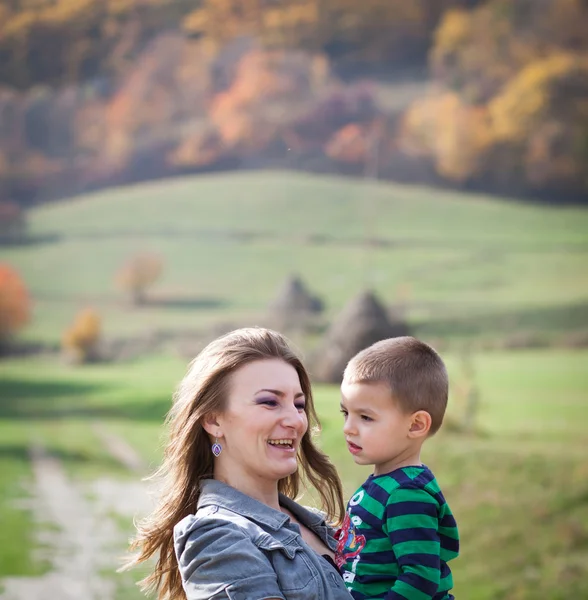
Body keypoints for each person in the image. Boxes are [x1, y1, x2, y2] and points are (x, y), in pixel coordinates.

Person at [125, 327, 353, 600]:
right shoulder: (215, 537)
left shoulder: (321, 524)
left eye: (299, 404)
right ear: (213, 420)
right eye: (270, 402)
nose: (295, 420)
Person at [335, 337, 460, 600]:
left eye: (365, 417)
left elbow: (419, 579)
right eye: (346, 413)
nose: (348, 428)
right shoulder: (385, 483)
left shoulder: (407, 495)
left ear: (415, 425)